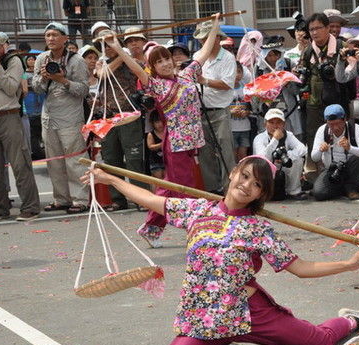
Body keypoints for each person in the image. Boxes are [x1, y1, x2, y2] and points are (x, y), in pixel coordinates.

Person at [80, 155, 359, 345]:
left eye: (257, 184)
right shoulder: (197, 209)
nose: (247, 185)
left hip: (251, 312)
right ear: (234, 173)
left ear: (262, 194)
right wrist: (112, 181)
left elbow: (300, 268)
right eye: (245, 176)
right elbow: (147, 198)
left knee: (322, 342)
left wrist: (349, 265)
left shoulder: (259, 229)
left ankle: (351, 320)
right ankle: (221, 344)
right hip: (206, 316)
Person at [101, 15, 221, 247]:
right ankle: (194, 232)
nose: (165, 63)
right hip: (175, 143)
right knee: (184, 191)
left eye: (166, 58)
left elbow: (204, 52)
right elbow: (136, 68)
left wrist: (214, 27)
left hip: (192, 141)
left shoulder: (186, 74)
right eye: (159, 62)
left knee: (170, 189)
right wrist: (118, 48)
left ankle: (151, 228)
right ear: (153, 67)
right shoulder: (155, 84)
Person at [33, 22, 90, 215]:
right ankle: (61, 199)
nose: (51, 39)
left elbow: (83, 90)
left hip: (71, 117)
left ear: (65, 39)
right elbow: (37, 88)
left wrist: (62, 80)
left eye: (55, 35)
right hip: (48, 117)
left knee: (75, 160)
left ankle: (81, 199)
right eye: (48, 35)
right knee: (54, 161)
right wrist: (44, 78)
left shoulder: (76, 61)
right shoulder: (42, 58)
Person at [0, 27, 41, 222]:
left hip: (9, 116)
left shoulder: (13, 61)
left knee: (20, 164)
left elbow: (11, 88)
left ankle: (30, 206)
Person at [94, 29, 149, 212]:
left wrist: (122, 53)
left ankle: (141, 198)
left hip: (129, 116)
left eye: (110, 44)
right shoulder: (101, 63)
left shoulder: (130, 61)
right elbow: (103, 74)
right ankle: (118, 199)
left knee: (133, 159)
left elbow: (142, 70)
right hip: (107, 117)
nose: (107, 48)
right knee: (111, 160)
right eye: (104, 45)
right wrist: (120, 53)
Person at [299, 13, 355, 183]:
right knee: (313, 137)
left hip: (338, 101)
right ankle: (316, 177)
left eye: (318, 28)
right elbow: (303, 75)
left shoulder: (341, 46)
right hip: (314, 103)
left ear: (327, 27)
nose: (314, 33)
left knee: (343, 136)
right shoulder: (308, 50)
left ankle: (348, 177)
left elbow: (353, 71)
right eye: (311, 29)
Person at [193, 19, 237, 194]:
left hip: (220, 111)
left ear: (218, 38)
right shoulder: (197, 56)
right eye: (202, 39)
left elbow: (228, 84)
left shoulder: (228, 57)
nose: (205, 42)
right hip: (200, 110)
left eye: (208, 38)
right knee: (204, 153)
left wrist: (205, 81)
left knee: (226, 151)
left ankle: (229, 190)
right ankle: (212, 191)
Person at [311, 104, 359, 201]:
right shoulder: (322, 130)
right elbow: (314, 157)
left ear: (345, 119)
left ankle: (352, 187)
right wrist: (320, 149)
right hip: (332, 170)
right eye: (331, 124)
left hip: (351, 168)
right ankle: (343, 187)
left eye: (338, 123)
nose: (335, 128)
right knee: (319, 194)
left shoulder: (355, 128)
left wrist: (350, 148)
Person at [253, 108, 307, 201]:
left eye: (278, 122)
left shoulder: (288, 135)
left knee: (297, 160)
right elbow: (262, 159)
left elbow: (302, 149)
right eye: (271, 122)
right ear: (265, 124)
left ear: (284, 124)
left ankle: (293, 191)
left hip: (280, 166)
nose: (275, 126)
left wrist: (286, 155)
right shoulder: (259, 138)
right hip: (265, 170)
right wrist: (275, 140)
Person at [22, 55, 46, 160]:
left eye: (33, 59)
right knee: (33, 130)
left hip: (41, 100)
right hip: (29, 101)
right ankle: (36, 151)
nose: (31, 61)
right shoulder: (24, 73)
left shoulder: (40, 73)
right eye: (29, 59)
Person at [230, 62, 251, 162]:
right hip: (231, 129)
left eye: (239, 72)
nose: (237, 75)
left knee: (243, 155)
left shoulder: (246, 88)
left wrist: (246, 112)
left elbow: (251, 108)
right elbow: (220, 108)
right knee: (232, 155)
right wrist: (231, 112)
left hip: (245, 128)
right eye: (234, 72)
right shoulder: (225, 89)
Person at [146, 110, 165, 182]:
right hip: (155, 162)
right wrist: (162, 144)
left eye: (161, 121)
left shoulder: (167, 132)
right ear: (152, 123)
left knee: (168, 182)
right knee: (159, 181)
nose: (160, 124)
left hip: (167, 161)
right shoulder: (151, 134)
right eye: (157, 122)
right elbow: (150, 146)